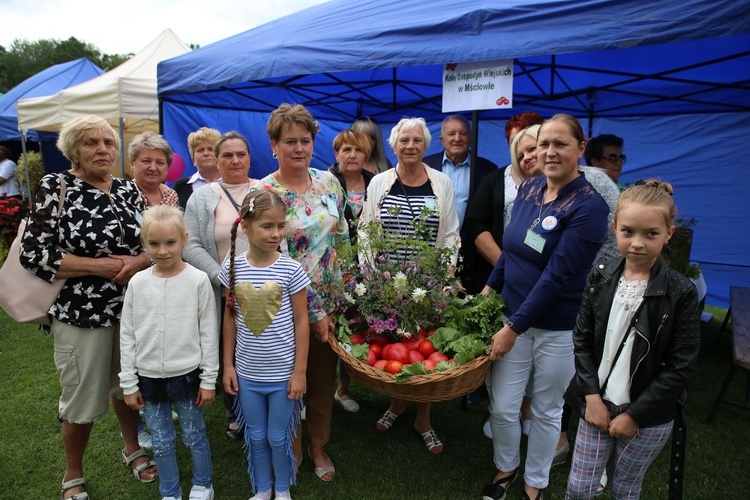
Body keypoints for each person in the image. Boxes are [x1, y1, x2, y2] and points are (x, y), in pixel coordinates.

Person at [19, 115, 156, 499]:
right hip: (81, 314)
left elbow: (153, 242)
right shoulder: (56, 186)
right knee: (81, 395)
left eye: (108, 143)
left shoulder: (129, 189)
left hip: (131, 310)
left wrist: (137, 262)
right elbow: (34, 253)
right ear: (73, 150)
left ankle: (132, 449)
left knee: (126, 385)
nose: (102, 150)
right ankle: (73, 473)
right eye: (91, 143)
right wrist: (102, 267)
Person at [481, 114, 609, 500]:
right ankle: (506, 467)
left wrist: (513, 328)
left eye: (560, 144)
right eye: (542, 145)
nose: (548, 152)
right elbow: (512, 249)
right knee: (503, 406)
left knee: (547, 409)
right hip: (512, 317)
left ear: (580, 149)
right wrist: (490, 287)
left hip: (556, 327)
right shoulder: (531, 187)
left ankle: (534, 481)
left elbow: (557, 276)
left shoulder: (590, 208)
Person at [564, 180, 701, 499]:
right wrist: (591, 398)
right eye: (628, 231)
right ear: (614, 228)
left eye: (650, 234)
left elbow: (681, 366)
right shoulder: (599, 275)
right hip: (597, 404)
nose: (637, 243)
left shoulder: (681, 292)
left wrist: (636, 415)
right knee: (578, 488)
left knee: (625, 488)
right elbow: (582, 339)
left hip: (648, 416)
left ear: (668, 234)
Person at [255, 103, 349, 482]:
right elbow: (271, 255)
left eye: (305, 141)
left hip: (333, 299)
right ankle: (289, 445)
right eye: (289, 141)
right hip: (285, 305)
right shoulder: (264, 192)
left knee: (323, 381)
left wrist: (347, 293)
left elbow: (341, 237)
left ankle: (318, 445)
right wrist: (313, 312)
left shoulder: (329, 182)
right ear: (274, 145)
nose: (298, 148)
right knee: (289, 383)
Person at [361, 117, 460, 454]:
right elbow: (365, 230)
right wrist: (373, 276)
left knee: (423, 348)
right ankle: (397, 403)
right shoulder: (379, 183)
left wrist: (443, 279)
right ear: (393, 145)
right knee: (396, 346)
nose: (411, 146)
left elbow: (450, 234)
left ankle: (424, 417)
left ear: (426, 145)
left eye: (417, 140)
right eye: (404, 140)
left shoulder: (441, 182)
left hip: (427, 282)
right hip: (388, 282)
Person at [119, 205, 218, 500]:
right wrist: (129, 383)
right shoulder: (138, 283)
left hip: (187, 376)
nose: (162, 251)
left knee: (194, 434)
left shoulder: (198, 280)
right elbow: (127, 335)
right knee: (160, 440)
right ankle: (170, 492)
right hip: (147, 377)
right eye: (154, 244)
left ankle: (203, 484)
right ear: (144, 243)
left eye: (170, 242)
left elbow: (208, 333)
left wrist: (208, 380)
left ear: (184, 239)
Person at [220, 190, 311, 500]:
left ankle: (282, 489)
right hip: (247, 375)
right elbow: (230, 318)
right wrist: (229, 365)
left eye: (280, 226)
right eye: (267, 226)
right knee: (256, 436)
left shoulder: (290, 270)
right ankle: (263, 489)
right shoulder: (231, 267)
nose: (276, 234)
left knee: (276, 435)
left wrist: (299, 372)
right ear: (245, 227)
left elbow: (302, 321)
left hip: (283, 375)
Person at [184, 131, 259, 440]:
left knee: (261, 346)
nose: (235, 160)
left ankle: (266, 406)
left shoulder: (265, 188)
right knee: (228, 349)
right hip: (222, 292)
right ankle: (236, 411)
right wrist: (221, 276)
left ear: (249, 157)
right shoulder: (202, 197)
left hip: (263, 289)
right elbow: (190, 245)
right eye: (227, 155)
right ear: (216, 159)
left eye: (240, 153)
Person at [328, 128, 375, 412]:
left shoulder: (377, 182)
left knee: (355, 328)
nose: (352, 155)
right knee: (329, 328)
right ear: (336, 154)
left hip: (369, 270)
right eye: (346, 150)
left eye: (358, 150)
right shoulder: (325, 182)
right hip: (333, 267)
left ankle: (342, 390)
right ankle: (315, 387)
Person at [423, 114, 497, 232]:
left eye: (463, 133)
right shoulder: (426, 166)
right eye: (451, 133)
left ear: (471, 138)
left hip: (472, 244)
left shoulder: (487, 169)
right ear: (442, 140)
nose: (457, 138)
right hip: (434, 242)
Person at [173, 127, 222, 208]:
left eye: (210, 149)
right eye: (200, 150)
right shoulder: (180, 186)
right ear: (193, 159)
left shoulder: (231, 183)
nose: (206, 153)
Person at [129, 132, 180, 208]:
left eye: (160, 163)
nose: (153, 168)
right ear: (132, 164)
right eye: (146, 161)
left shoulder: (171, 195)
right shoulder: (124, 195)